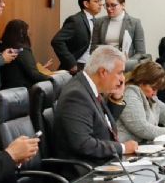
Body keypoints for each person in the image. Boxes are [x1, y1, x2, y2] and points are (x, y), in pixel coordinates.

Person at [55, 46, 137, 174]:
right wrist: (122, 148)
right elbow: (84, 144)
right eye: (120, 72)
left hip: (100, 163)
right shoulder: (77, 95)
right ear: (103, 72)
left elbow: (102, 126)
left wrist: (117, 98)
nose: (122, 79)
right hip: (84, 171)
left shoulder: (89, 87)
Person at [51, 0, 101, 75]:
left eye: (100, 1)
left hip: (92, 66)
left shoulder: (96, 21)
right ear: (86, 4)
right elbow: (57, 41)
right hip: (78, 66)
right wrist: (71, 63)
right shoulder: (75, 20)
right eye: (96, 1)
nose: (100, 4)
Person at [90, 0, 147, 67]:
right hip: (105, 65)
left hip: (126, 66)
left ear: (123, 5)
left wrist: (128, 61)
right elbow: (93, 49)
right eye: (107, 5)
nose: (109, 9)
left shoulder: (135, 23)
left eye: (113, 5)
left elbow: (141, 53)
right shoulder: (99, 22)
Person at [0, 20, 52, 91]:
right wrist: (51, 79)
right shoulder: (22, 49)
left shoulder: (1, 47)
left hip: (5, 91)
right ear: (22, 33)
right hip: (22, 92)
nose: (29, 34)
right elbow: (33, 74)